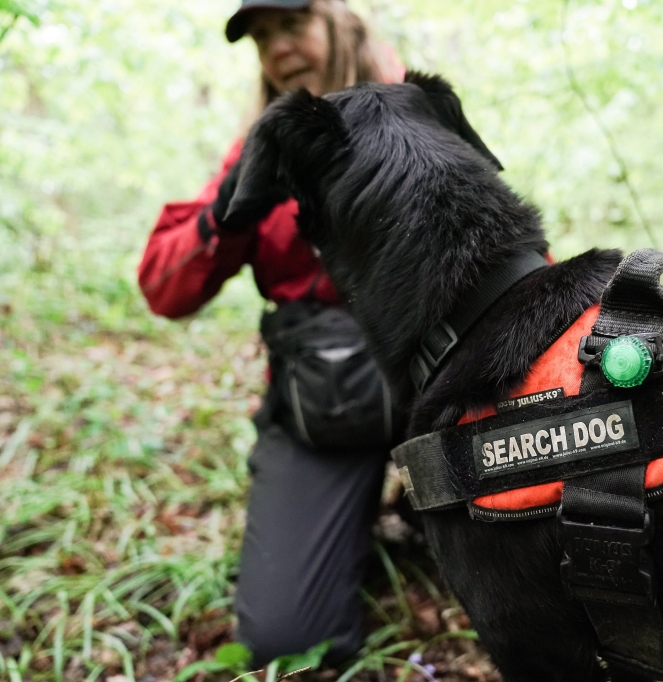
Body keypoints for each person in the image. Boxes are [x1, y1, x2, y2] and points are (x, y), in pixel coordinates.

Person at [138, 0, 406, 668]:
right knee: (289, 641)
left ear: (337, 26)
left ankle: (424, 516)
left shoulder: (413, 117)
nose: (277, 46)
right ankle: (359, 514)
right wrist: (235, 199)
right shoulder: (258, 145)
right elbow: (164, 288)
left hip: (429, 384)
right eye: (261, 36)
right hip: (321, 402)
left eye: (291, 25)